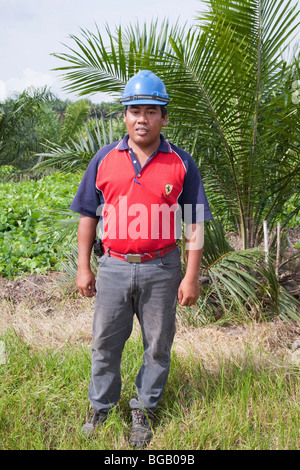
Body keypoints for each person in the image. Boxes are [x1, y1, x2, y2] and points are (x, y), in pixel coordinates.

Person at [70, 70, 212, 447]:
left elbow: (194, 222)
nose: (142, 118)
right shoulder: (104, 159)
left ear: (165, 117)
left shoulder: (181, 163)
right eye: (135, 110)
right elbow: (88, 215)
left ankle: (144, 410)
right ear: (124, 115)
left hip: (162, 268)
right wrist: (84, 266)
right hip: (114, 266)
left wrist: (191, 276)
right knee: (104, 342)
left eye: (151, 111)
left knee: (158, 344)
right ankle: (100, 407)